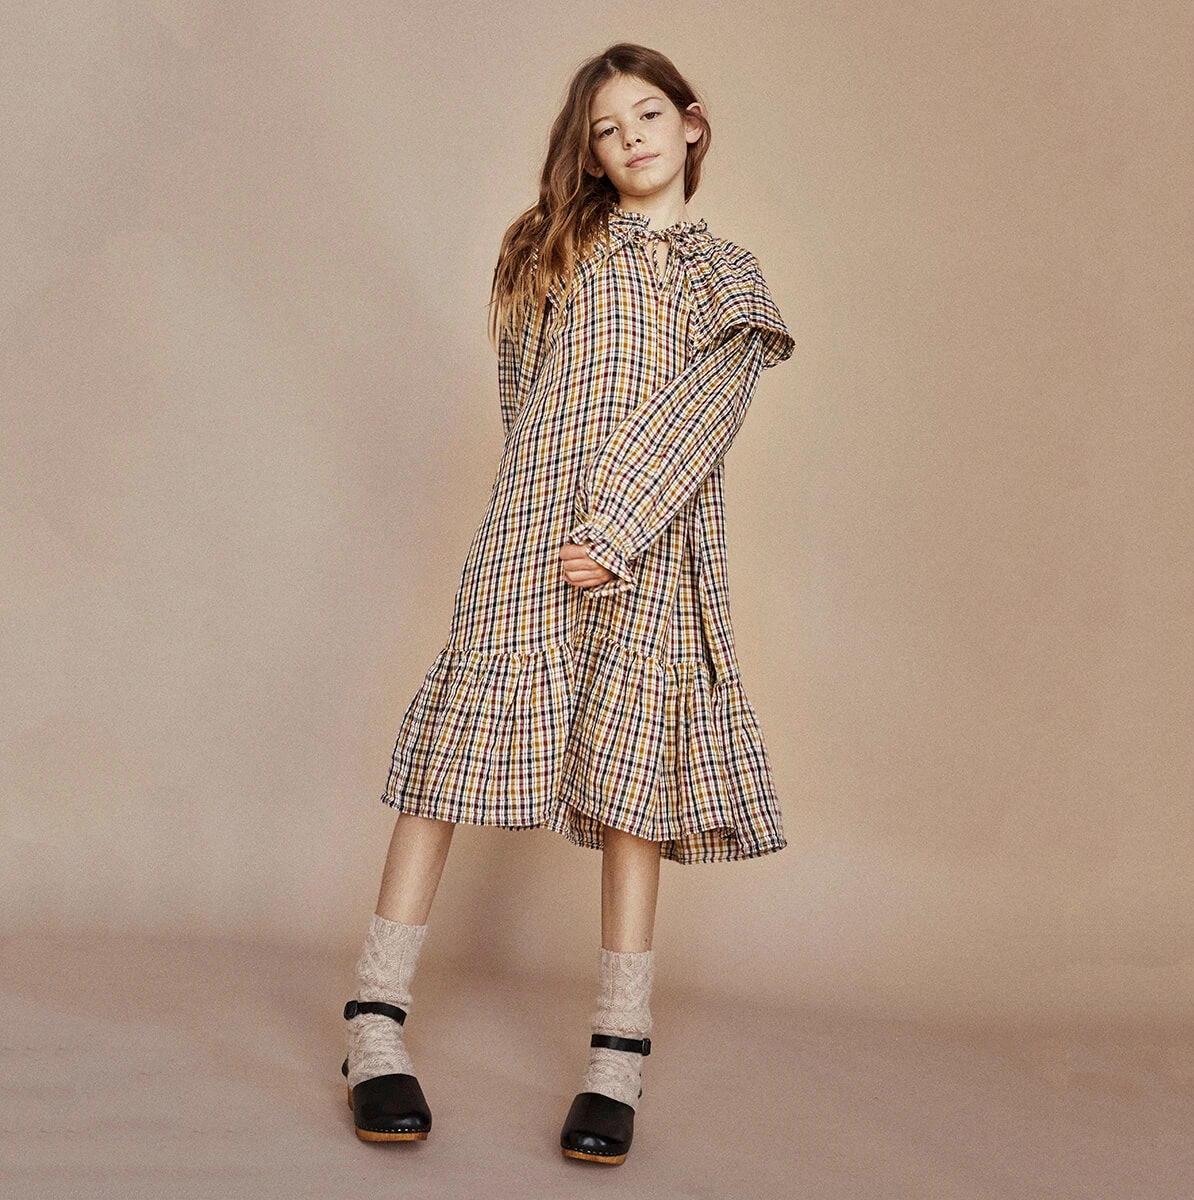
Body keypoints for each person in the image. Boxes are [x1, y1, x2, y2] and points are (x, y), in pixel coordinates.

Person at [340, 42, 794, 1165]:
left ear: (692, 122)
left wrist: (618, 525)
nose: (631, 136)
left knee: (635, 778)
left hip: (653, 547)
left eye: (649, 114)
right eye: (606, 127)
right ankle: (373, 1024)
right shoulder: (553, 247)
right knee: (455, 750)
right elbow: (522, 391)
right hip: (533, 540)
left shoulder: (724, 272)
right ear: (588, 154)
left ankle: (616, 1058)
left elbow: (710, 404)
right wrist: (544, 512)